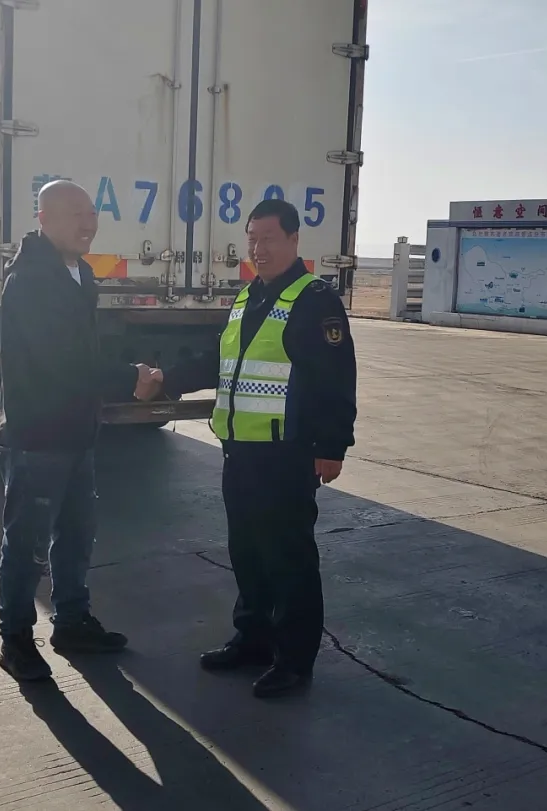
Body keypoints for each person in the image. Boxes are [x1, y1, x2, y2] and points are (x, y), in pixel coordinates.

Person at [160, 198, 357, 698]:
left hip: (286, 454)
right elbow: (220, 361)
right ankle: (252, 639)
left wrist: (332, 445)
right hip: (240, 451)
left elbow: (336, 379)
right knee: (247, 551)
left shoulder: (314, 300)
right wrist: (167, 379)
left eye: (268, 238)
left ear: (293, 240)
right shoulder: (249, 296)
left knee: (288, 557)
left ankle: (293, 660)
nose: (258, 248)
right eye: (251, 239)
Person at [0, 180, 162, 682]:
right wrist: (129, 378)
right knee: (26, 544)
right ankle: (14, 640)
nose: (88, 223)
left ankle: (71, 622)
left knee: (75, 536)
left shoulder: (79, 274)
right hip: (37, 437)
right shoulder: (31, 280)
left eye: (91, 213)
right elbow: (60, 361)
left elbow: (83, 351)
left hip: (76, 432)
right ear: (44, 218)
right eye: (75, 214)